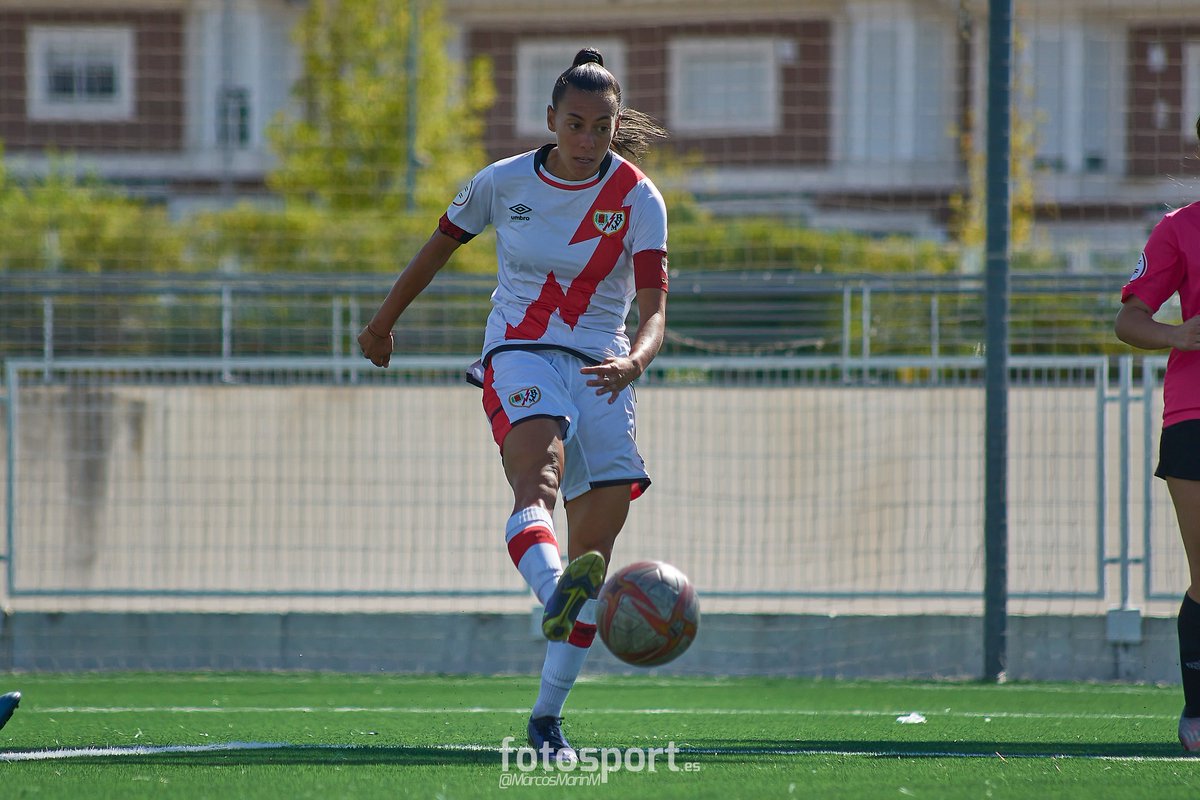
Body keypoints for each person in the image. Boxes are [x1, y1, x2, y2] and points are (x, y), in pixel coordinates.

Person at [358, 47, 669, 763]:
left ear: (615, 125)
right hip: (520, 352)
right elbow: (437, 248)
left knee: (595, 554)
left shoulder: (639, 198)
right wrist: (381, 324)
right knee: (539, 479)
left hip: (603, 371)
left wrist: (635, 361)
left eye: (602, 127)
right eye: (576, 124)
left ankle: (545, 719)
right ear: (551, 119)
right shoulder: (502, 182)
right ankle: (553, 588)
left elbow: (655, 308)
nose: (588, 139)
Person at [1115, 114, 1200, 752]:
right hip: (1194, 417)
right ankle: (1197, 711)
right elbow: (1130, 319)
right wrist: (1178, 334)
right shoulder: (1179, 228)